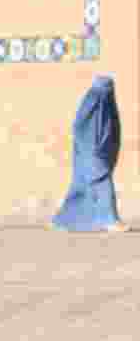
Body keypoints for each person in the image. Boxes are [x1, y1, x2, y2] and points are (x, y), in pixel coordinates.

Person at [51, 75, 129, 233]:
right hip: (89, 150)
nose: (106, 93)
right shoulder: (90, 103)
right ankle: (110, 220)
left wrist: (107, 149)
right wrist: (87, 147)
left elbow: (113, 130)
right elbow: (79, 126)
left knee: (80, 186)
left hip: (98, 151)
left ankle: (62, 221)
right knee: (102, 181)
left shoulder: (107, 105)